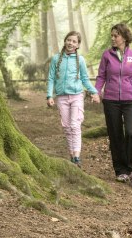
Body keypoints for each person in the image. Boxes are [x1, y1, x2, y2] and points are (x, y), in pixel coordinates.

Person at [95, 23, 132, 184]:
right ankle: (121, 170)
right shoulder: (107, 55)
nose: (113, 38)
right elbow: (101, 76)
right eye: (111, 35)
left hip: (131, 99)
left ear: (124, 37)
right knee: (115, 135)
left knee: (131, 132)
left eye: (115, 35)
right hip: (110, 100)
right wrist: (96, 91)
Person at [47, 31, 100, 167]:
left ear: (77, 45)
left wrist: (94, 92)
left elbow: (85, 79)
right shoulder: (56, 59)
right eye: (69, 40)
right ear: (65, 41)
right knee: (66, 127)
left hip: (76, 96)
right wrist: (49, 95)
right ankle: (71, 155)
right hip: (61, 97)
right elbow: (51, 78)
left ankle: (77, 156)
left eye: (74, 41)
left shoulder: (80, 60)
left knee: (75, 125)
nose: (71, 43)